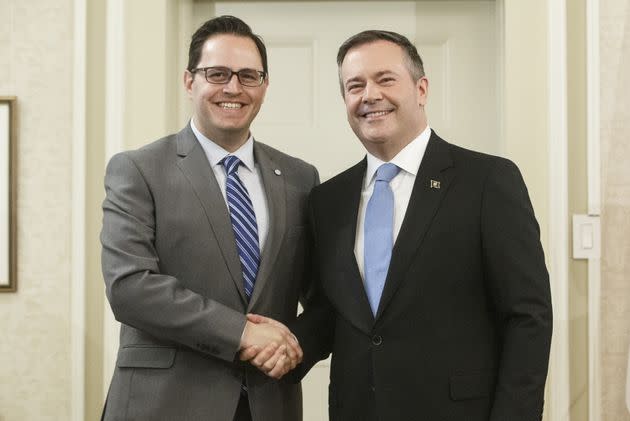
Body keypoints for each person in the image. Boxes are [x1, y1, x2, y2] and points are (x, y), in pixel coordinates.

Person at [244, 30, 553, 421]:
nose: (369, 95)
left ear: (421, 89)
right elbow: (334, 312)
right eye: (355, 86)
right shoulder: (328, 200)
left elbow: (528, 316)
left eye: (385, 79)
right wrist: (284, 345)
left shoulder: (488, 181)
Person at [100, 15, 317, 421]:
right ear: (189, 81)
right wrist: (243, 333)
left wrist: (289, 346)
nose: (233, 88)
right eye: (217, 73)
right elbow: (129, 287)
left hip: (268, 403)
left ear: (264, 86)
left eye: (248, 76)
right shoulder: (138, 169)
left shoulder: (300, 178)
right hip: (165, 403)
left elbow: (322, 295)